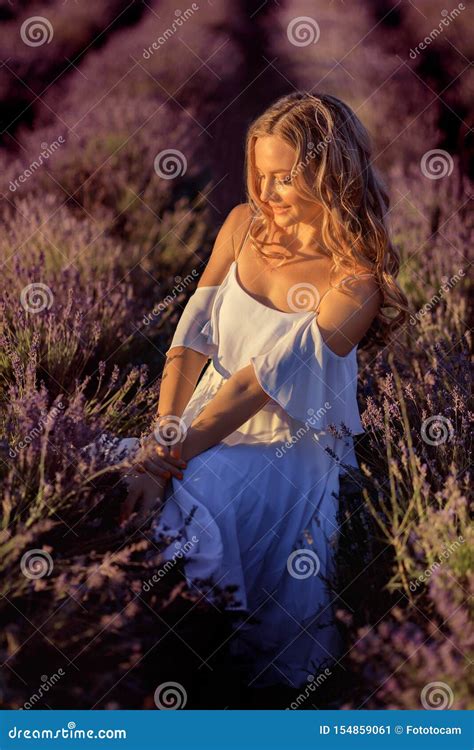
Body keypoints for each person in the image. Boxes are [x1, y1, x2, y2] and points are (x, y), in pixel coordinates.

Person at [115, 92, 407, 690]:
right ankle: (130, 654)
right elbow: (191, 336)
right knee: (109, 475)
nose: (266, 194)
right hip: (201, 421)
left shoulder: (356, 282)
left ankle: (175, 658)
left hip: (285, 450)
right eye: (261, 175)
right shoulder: (243, 225)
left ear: (330, 175)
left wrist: (168, 460)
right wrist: (163, 435)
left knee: (186, 496)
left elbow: (258, 385)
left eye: (284, 179)